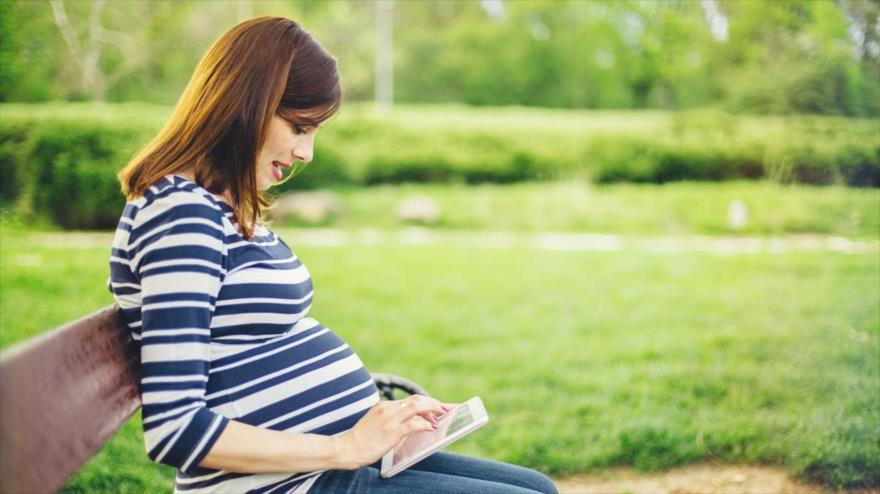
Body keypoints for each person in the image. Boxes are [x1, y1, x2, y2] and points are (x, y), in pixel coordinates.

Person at [108, 16, 558, 494]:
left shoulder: (218, 209)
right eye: (300, 127)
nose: (307, 153)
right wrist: (345, 446)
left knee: (537, 488)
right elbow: (174, 429)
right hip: (283, 485)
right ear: (246, 106)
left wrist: (383, 424)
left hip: (326, 467)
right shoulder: (181, 215)